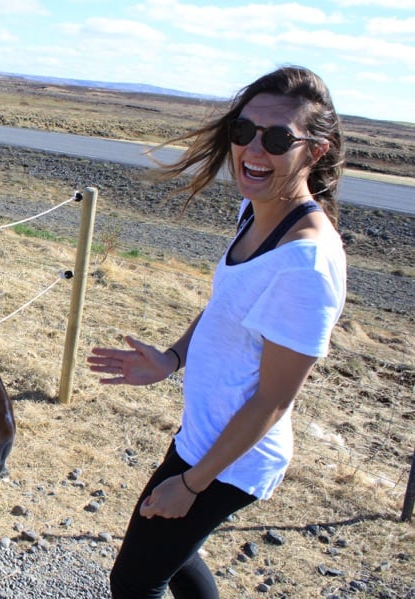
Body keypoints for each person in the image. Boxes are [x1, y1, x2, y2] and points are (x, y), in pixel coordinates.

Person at [87, 65, 347, 598]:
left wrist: (191, 483)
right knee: (174, 559)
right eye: (243, 131)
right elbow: (226, 305)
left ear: (314, 152)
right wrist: (173, 358)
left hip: (231, 459)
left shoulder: (306, 264)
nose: (254, 148)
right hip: (205, 434)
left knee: (134, 580)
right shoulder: (255, 213)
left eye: (277, 138)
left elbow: (273, 400)